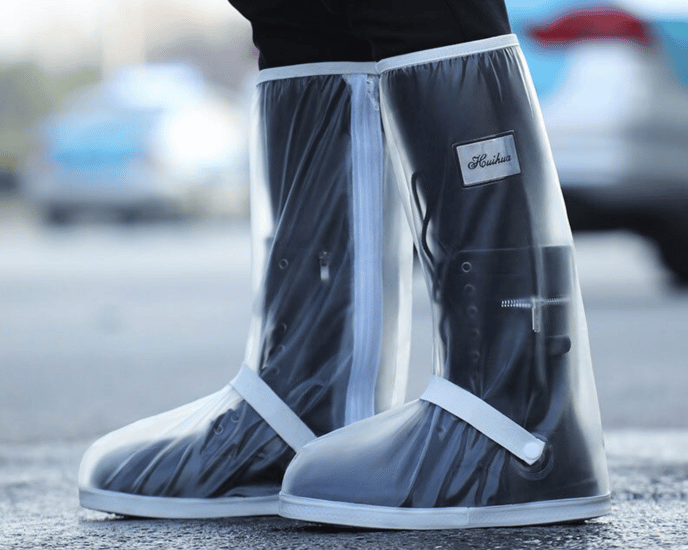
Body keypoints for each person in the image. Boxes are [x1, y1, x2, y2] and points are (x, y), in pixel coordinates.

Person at [78, 0, 611, 529]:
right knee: (295, 15)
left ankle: (517, 422)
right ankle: (308, 410)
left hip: (517, 428)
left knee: (417, 11)